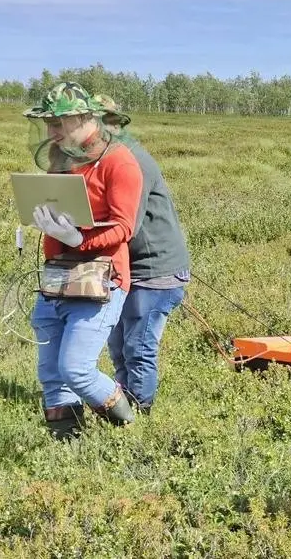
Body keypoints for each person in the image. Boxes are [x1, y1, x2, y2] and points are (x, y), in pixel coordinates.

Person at [25, 82, 144, 439]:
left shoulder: (120, 163)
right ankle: (67, 446)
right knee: (51, 372)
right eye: (47, 124)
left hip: (100, 281)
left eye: (57, 123)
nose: (51, 132)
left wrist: (79, 239)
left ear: (83, 118)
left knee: (75, 368)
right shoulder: (62, 160)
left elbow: (124, 227)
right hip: (56, 278)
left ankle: (127, 431)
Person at [93, 94, 191, 414]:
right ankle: (123, 407)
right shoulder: (106, 159)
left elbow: (126, 227)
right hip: (131, 268)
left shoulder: (130, 161)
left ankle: (139, 414)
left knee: (138, 347)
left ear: (112, 125)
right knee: (119, 346)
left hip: (155, 271)